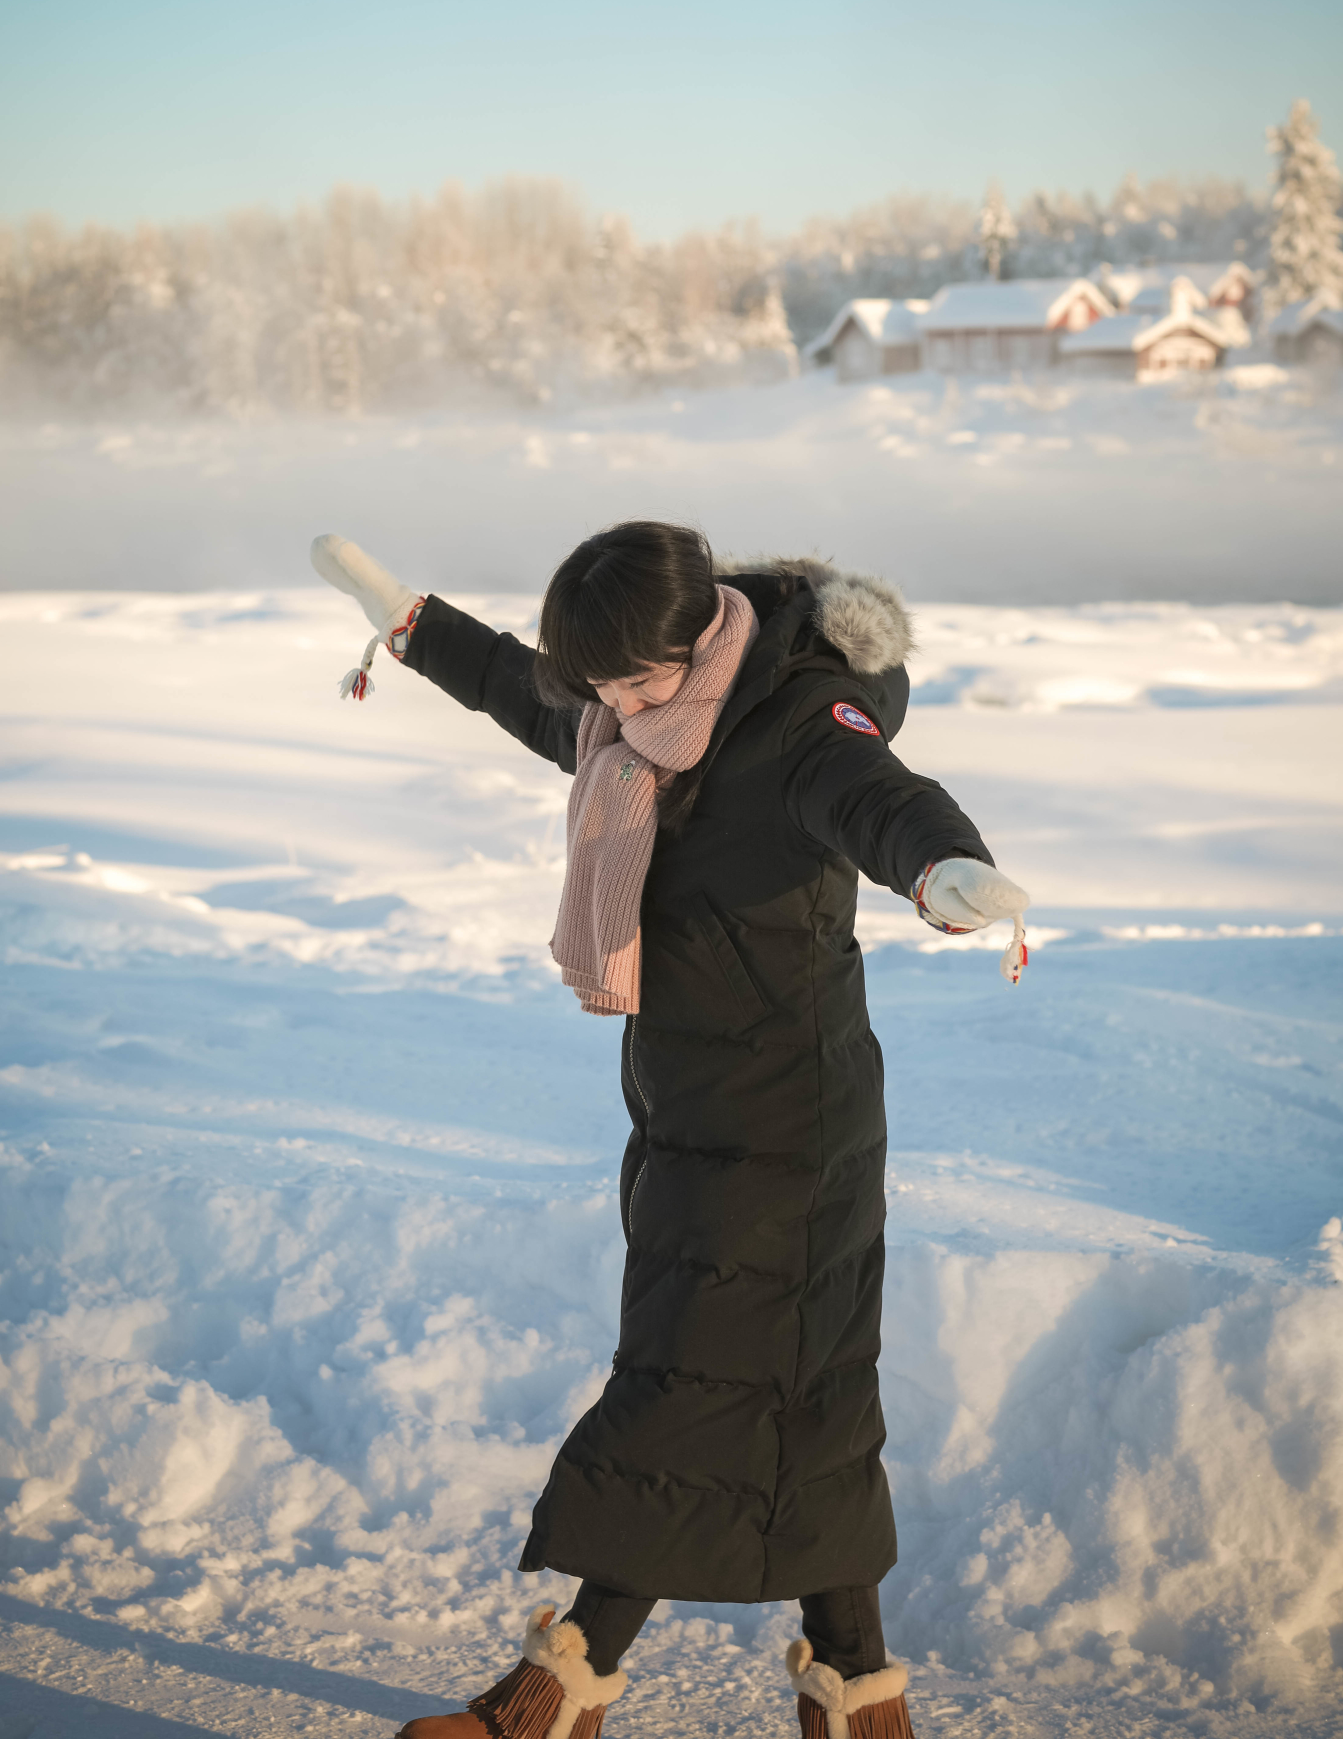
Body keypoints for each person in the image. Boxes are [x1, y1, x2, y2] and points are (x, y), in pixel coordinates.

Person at [310, 523, 1030, 1739]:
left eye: (638, 680)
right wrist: (409, 619)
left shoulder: (798, 720)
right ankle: (853, 1687)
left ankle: (563, 1685)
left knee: (690, 1380)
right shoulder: (623, 725)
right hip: (688, 1109)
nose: (616, 705)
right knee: (796, 1390)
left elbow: (882, 801)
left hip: (792, 1124)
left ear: (701, 635)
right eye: (599, 685)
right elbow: (516, 688)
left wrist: (945, 870)